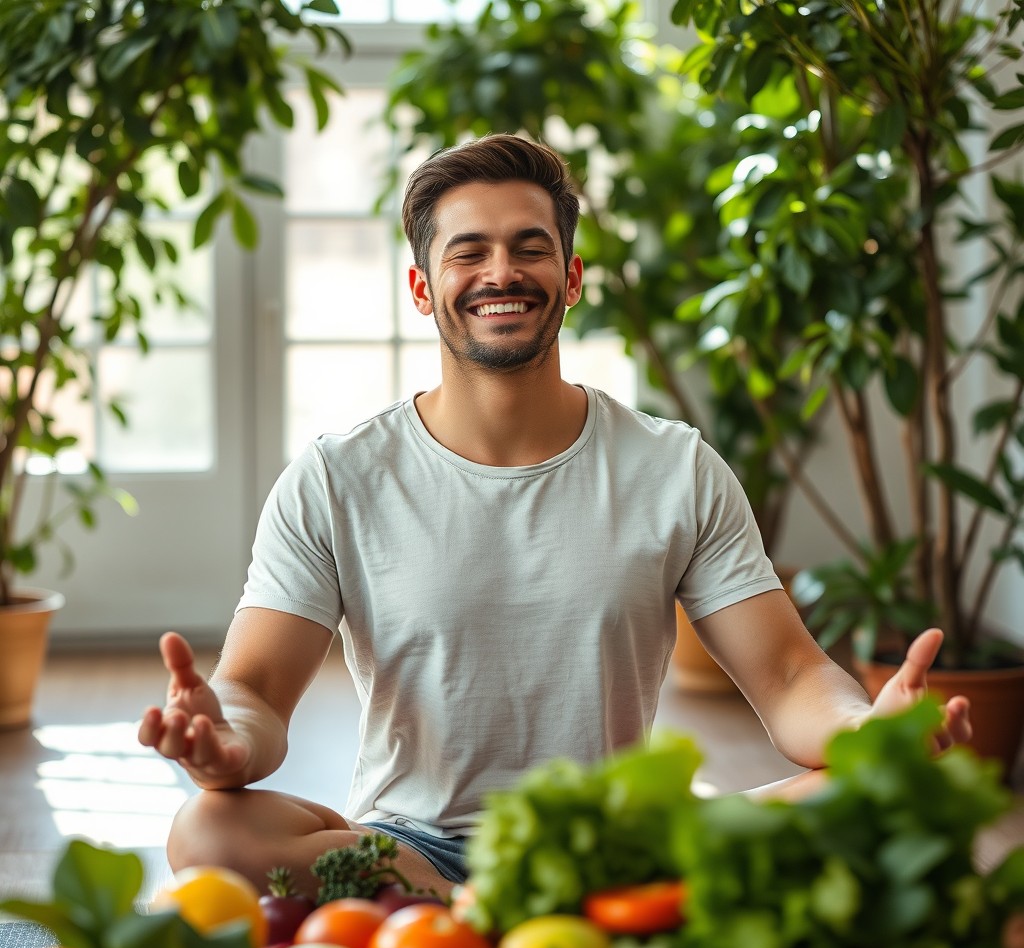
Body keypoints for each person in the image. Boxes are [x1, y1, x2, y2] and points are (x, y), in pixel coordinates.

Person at [138, 134, 971, 901]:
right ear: (423, 289)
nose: (502, 272)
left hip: (619, 841)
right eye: (470, 252)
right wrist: (228, 740)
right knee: (209, 830)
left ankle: (487, 926)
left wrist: (868, 734)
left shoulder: (673, 467)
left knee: (884, 794)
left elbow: (791, 677)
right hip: (410, 853)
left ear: (570, 279)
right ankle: (510, 914)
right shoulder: (335, 478)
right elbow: (253, 689)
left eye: (530, 248)